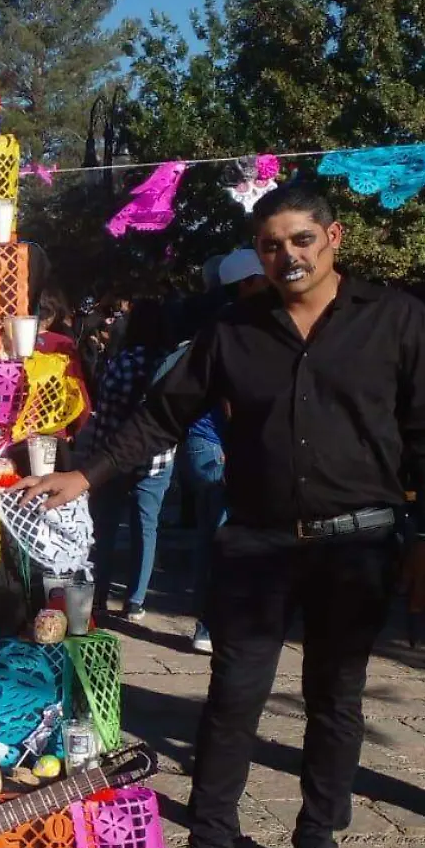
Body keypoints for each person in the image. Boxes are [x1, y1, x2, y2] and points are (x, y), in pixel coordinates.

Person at [12, 184, 425, 848]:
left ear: (333, 238)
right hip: (257, 546)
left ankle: (316, 843)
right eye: (272, 244)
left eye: (301, 240)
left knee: (334, 699)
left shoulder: (395, 320)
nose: (288, 256)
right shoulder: (234, 329)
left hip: (358, 544)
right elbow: (162, 416)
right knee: (232, 696)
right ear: (258, 252)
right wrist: (86, 473)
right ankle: (210, 840)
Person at [180, 249, 271, 653]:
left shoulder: (214, 321)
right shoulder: (234, 326)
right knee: (222, 536)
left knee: (216, 535)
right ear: (250, 282)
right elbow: (230, 396)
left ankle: (221, 619)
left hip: (208, 443)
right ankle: (210, 624)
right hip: (219, 444)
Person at [79, 300, 175, 620]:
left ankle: (98, 595)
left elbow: (105, 411)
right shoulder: (171, 364)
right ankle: (135, 600)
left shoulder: (122, 361)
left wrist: (95, 457)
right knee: (146, 528)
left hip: (113, 457)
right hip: (158, 459)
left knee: (105, 529)